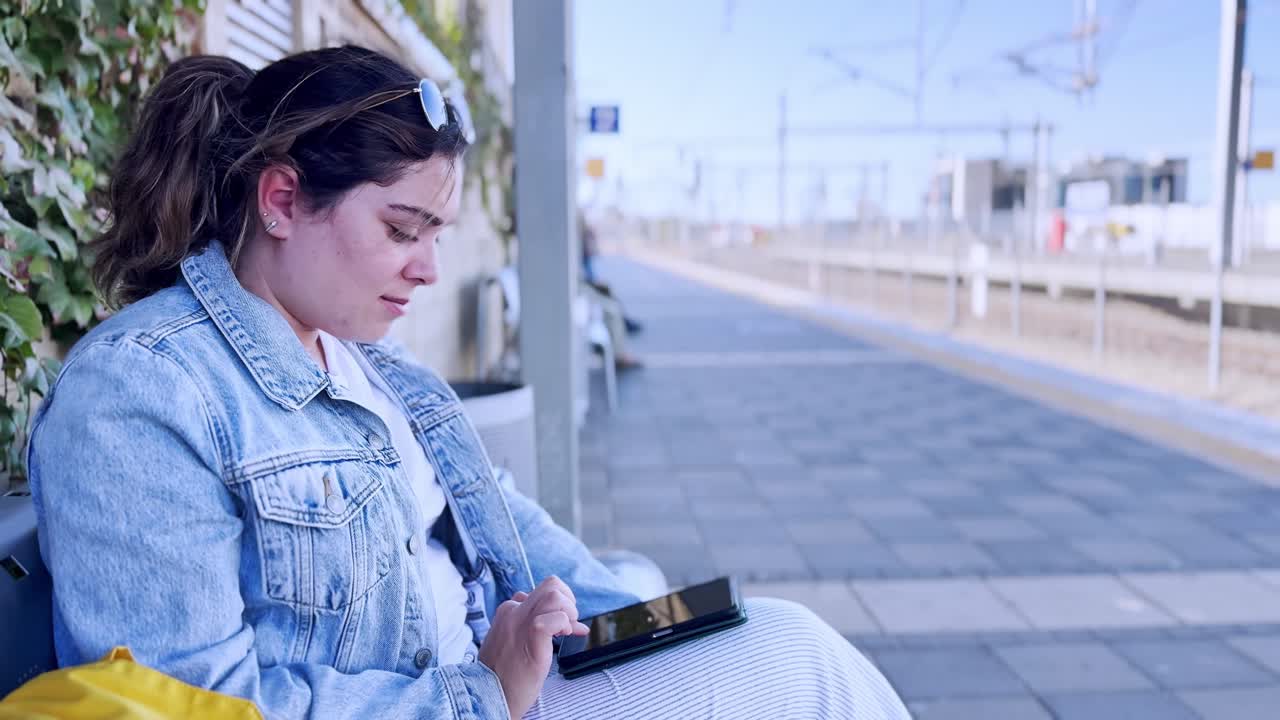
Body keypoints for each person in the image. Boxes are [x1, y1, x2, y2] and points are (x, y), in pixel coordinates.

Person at [26, 46, 910, 720]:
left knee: (774, 638)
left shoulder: (369, 361)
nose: (428, 271)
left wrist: (641, 621)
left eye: (438, 233)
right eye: (404, 229)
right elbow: (193, 704)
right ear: (283, 200)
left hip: (509, 686)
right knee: (804, 665)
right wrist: (482, 687)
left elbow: (500, 517)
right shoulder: (143, 393)